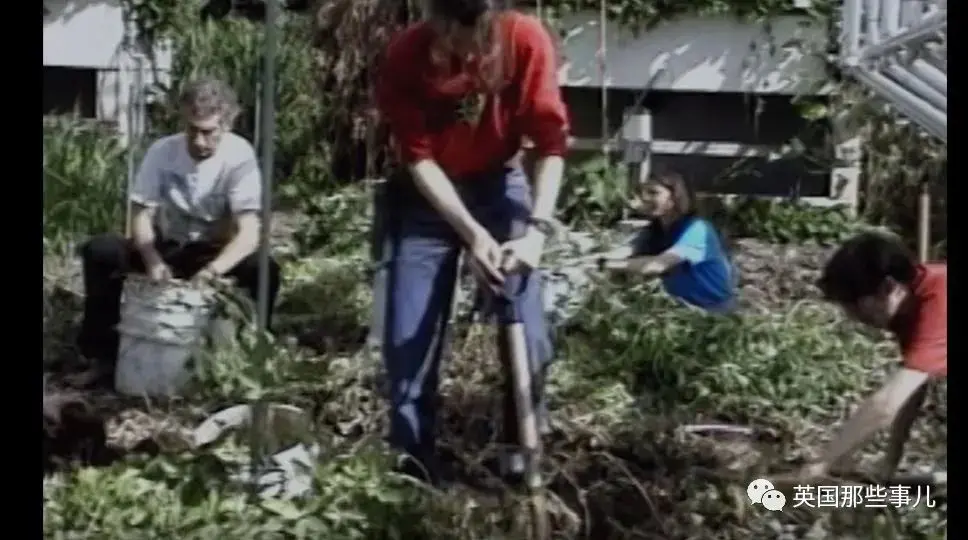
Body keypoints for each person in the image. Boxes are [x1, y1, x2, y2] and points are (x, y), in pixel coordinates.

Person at [374, 0, 569, 486]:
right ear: (433, 19)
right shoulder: (405, 55)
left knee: (527, 328)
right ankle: (414, 469)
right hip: (425, 197)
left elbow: (551, 144)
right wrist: (473, 235)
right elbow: (417, 159)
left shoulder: (525, 39)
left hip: (499, 186)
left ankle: (519, 456)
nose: (456, 47)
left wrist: (536, 234)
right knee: (407, 339)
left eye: (470, 35)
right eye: (446, 33)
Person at [70, 77, 281, 389]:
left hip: (213, 250)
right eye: (192, 129)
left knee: (265, 269)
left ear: (226, 124)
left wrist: (213, 271)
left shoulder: (239, 156)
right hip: (167, 245)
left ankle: (252, 358)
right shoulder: (162, 152)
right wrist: (152, 258)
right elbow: (140, 213)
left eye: (208, 132)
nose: (198, 141)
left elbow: (249, 234)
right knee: (100, 251)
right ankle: (103, 357)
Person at [786, 231, 946, 483]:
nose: (853, 317)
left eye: (855, 305)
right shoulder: (911, 305)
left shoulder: (939, 299)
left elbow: (886, 404)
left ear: (888, 288)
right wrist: (889, 465)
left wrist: (822, 462)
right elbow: (912, 392)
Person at [596, 169, 736, 314]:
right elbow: (628, 250)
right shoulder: (656, 229)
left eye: (653, 193)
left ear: (675, 197)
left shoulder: (697, 229)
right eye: (643, 192)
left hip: (712, 311)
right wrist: (590, 261)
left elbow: (657, 265)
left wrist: (606, 265)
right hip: (681, 308)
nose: (644, 198)